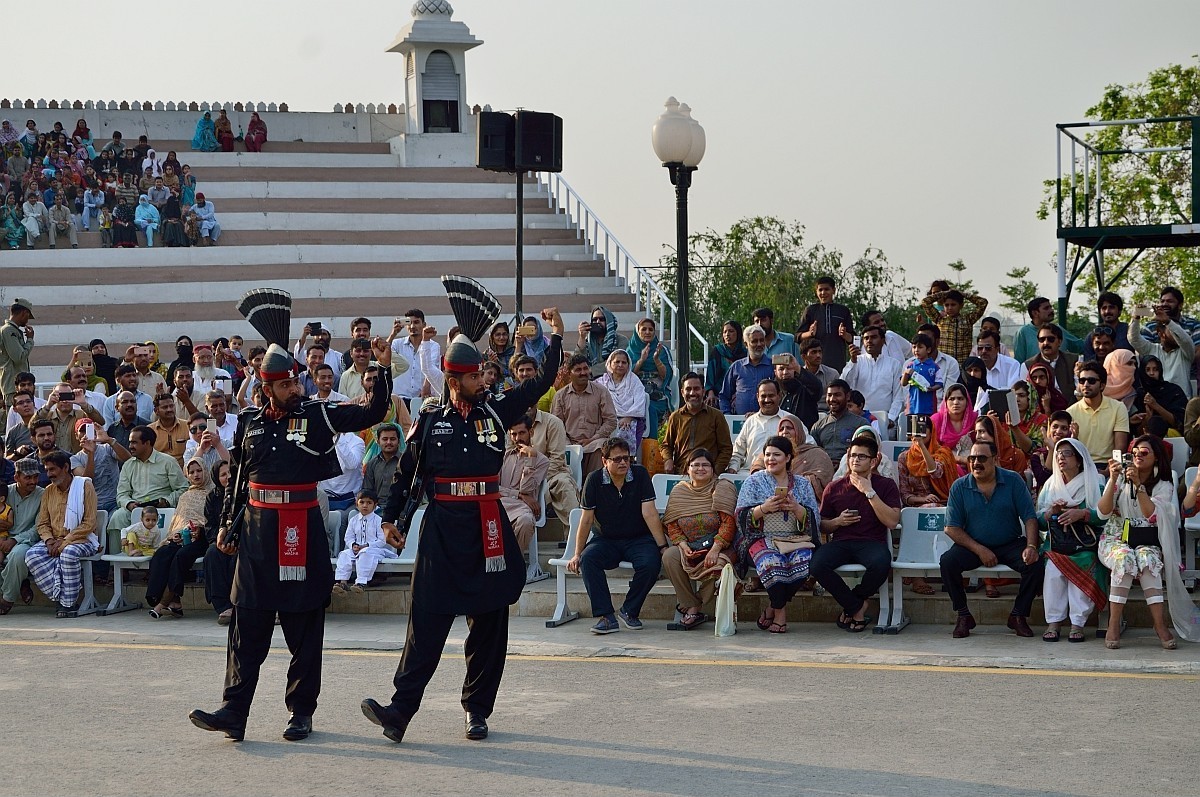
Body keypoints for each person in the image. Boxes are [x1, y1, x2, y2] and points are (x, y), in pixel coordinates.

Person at [360, 307, 564, 745]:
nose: (483, 382)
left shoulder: (495, 410)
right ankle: (400, 711)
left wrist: (554, 338)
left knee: (490, 622)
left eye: (483, 377)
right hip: (442, 530)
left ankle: (477, 709)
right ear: (455, 381)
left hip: (488, 526)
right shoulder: (431, 420)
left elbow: (539, 383)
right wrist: (390, 519)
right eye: (474, 378)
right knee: (427, 620)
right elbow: (406, 476)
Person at [189, 329, 394, 743]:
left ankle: (301, 712)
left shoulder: (317, 414)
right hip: (257, 536)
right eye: (284, 384)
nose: (294, 387)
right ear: (267, 388)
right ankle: (234, 710)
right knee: (245, 627)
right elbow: (240, 479)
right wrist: (227, 523)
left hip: (302, 530)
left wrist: (382, 367)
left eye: (295, 380)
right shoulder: (249, 422)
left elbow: (372, 412)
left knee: (303, 629)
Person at [1098, 435, 1200, 648]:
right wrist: (1112, 479)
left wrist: (1138, 485)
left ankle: (1159, 624)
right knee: (1124, 559)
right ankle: (1114, 623)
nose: (1137, 457)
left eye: (1144, 453)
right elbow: (1103, 512)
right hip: (1117, 537)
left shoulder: (1163, 484)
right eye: (1134, 453)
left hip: (1146, 538)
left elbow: (1151, 515)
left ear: (1156, 458)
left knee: (1147, 561)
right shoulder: (1121, 480)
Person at [940, 440, 1043, 638]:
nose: (976, 463)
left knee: (1035, 565)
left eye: (982, 458)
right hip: (973, 545)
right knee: (947, 562)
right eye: (972, 458)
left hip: (1010, 543)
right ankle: (963, 615)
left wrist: (1031, 546)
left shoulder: (1013, 480)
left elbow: (1030, 517)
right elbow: (951, 528)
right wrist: (980, 550)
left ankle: (1018, 615)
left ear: (995, 460)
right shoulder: (960, 486)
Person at [565, 437, 666, 634]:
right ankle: (606, 616)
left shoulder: (640, 474)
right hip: (606, 539)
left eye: (627, 459)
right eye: (617, 459)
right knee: (588, 559)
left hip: (639, 538)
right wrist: (577, 553)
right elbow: (586, 520)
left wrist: (662, 546)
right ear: (605, 461)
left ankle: (630, 610)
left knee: (651, 563)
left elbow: (650, 513)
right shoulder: (593, 480)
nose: (623, 463)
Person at [734, 435, 821, 634]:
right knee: (772, 563)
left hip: (795, 539)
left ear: (788, 458)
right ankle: (780, 615)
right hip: (760, 538)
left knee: (806, 563)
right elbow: (740, 516)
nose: (770, 459)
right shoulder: (754, 481)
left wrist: (797, 508)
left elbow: (814, 517)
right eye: (767, 455)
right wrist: (763, 508)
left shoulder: (802, 484)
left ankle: (772, 608)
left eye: (776, 454)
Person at [814, 435, 901, 632]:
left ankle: (854, 602)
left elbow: (892, 521)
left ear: (873, 461)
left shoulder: (885, 485)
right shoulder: (834, 487)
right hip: (842, 542)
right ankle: (856, 606)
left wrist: (869, 492)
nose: (855, 460)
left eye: (862, 456)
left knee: (881, 563)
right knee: (817, 564)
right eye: (852, 455)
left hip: (872, 542)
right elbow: (822, 525)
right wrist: (837, 522)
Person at [1036, 438, 1108, 643]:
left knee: (1084, 562)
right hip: (1056, 544)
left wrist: (1083, 514)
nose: (1060, 458)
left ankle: (1077, 623)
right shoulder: (1051, 485)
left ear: (1078, 459)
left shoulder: (1096, 482)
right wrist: (1051, 512)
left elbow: (1105, 515)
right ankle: (1054, 622)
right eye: (1058, 454)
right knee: (1052, 570)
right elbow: (1040, 521)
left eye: (1066, 453)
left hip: (1084, 544)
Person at [661, 448, 739, 630]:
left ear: (713, 469)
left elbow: (729, 523)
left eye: (705, 465)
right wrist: (681, 544)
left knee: (719, 564)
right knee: (670, 556)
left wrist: (715, 548)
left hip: (721, 546)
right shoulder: (679, 491)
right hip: (690, 546)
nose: (700, 468)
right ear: (687, 469)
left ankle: (695, 606)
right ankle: (691, 602)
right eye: (695, 465)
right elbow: (672, 524)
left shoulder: (722, 487)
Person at [24, 451, 99, 618]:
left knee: (68, 554)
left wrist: (65, 542)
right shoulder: (48, 491)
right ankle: (63, 599)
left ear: (66, 467)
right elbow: (42, 523)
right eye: (47, 470)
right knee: (32, 555)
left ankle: (68, 604)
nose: (49, 474)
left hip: (82, 539)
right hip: (55, 541)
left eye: (52, 469)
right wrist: (49, 541)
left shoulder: (85, 486)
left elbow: (89, 523)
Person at [145, 456, 213, 619]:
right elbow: (178, 520)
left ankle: (164, 602)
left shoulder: (212, 493)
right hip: (182, 537)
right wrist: (175, 535)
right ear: (187, 475)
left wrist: (198, 530)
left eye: (199, 471)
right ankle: (169, 601)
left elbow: (212, 521)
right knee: (162, 553)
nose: (196, 475)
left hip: (202, 538)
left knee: (180, 556)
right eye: (191, 472)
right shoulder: (185, 497)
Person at [551, 353, 617, 477]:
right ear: (569, 373)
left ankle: (593, 489)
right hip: (569, 443)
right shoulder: (560, 396)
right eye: (578, 370)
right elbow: (556, 425)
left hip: (594, 442)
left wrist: (593, 438)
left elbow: (611, 421)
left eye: (585, 368)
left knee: (601, 447)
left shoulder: (601, 392)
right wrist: (569, 444)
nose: (583, 373)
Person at [499, 415, 549, 564]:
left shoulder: (541, 460)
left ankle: (513, 565)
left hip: (522, 508)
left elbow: (527, 489)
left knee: (526, 522)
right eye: (513, 434)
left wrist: (530, 458)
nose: (517, 438)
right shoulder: (503, 456)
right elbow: (494, 487)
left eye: (522, 433)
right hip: (500, 503)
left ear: (531, 432)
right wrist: (519, 495)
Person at [661, 372, 733, 474]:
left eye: (696, 389)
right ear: (682, 392)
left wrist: (715, 471)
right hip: (681, 475)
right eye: (688, 389)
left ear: (703, 392)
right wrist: (668, 460)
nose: (692, 393)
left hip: (707, 476)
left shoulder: (716, 416)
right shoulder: (675, 417)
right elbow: (666, 445)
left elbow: (726, 449)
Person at [842, 325, 904, 438]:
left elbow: (899, 396)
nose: (869, 341)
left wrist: (891, 418)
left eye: (873, 337)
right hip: (859, 418)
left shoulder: (894, 364)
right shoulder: (856, 361)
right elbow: (845, 384)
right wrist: (852, 361)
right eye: (866, 338)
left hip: (887, 420)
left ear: (883, 340)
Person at [748, 416, 834, 497]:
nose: (785, 431)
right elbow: (757, 469)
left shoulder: (816, 453)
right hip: (769, 499)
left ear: (799, 431)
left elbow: (822, 479)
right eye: (781, 429)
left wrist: (791, 482)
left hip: (804, 500)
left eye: (789, 428)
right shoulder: (770, 453)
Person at [0, 460, 45, 615]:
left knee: (18, 555)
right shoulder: (5, 492)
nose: (33, 481)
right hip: (3, 537)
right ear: (16, 477)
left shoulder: (42, 494)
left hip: (27, 541)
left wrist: (15, 540)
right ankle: (20, 582)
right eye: (28, 478)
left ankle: (7, 598)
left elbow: (39, 527)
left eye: (35, 477)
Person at [727, 379, 801, 472]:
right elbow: (738, 453)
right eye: (763, 396)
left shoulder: (791, 420)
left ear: (779, 396)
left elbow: (807, 446)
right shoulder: (750, 422)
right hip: (752, 475)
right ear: (758, 397)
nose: (767, 400)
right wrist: (733, 468)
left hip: (783, 476)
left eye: (771, 396)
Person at [1068, 360, 1131, 469]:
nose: (1086, 385)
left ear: (1102, 386)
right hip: (1081, 467)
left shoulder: (1118, 408)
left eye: (1091, 381)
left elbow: (1120, 446)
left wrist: (1109, 471)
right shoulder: (1070, 412)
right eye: (1082, 381)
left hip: (1108, 466)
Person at [333, 491, 397, 594]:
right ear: (356, 504)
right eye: (362, 502)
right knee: (344, 554)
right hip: (356, 550)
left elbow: (382, 540)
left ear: (375, 505)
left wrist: (367, 545)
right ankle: (342, 582)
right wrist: (353, 545)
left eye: (369, 503)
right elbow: (348, 537)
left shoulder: (379, 521)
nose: (365, 505)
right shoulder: (353, 520)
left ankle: (361, 583)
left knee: (365, 553)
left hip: (374, 551)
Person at [1129, 301, 1195, 397]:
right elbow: (1133, 339)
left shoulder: (1185, 352)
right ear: (1160, 333)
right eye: (1172, 330)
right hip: (1157, 402)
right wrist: (1136, 318)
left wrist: (1168, 322)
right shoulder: (1152, 349)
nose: (1177, 334)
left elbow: (1185, 340)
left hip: (1181, 404)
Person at [595, 350, 647, 457]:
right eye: (617, 362)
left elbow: (639, 401)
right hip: (607, 418)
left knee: (624, 429)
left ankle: (625, 459)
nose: (620, 365)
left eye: (624, 362)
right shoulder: (601, 382)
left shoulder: (634, 381)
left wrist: (629, 417)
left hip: (630, 418)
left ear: (628, 365)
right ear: (610, 363)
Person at [202, 461, 236, 625]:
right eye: (223, 474)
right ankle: (223, 606)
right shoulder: (212, 497)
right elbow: (209, 526)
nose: (228, 477)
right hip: (219, 541)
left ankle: (240, 603)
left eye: (230, 473)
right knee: (212, 555)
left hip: (242, 541)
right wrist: (221, 542)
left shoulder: (243, 493)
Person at [627, 318, 673, 437]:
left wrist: (656, 360)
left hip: (657, 396)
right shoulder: (630, 351)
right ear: (638, 332)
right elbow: (627, 376)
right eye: (644, 329)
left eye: (651, 329)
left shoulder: (662, 350)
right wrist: (641, 360)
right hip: (634, 396)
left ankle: (651, 449)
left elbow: (666, 376)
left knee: (649, 408)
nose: (647, 332)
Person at [797, 276, 854, 372]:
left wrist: (845, 335)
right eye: (820, 290)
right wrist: (810, 334)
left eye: (826, 289)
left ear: (833, 290)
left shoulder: (843, 311)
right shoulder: (810, 310)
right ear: (816, 292)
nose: (823, 293)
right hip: (815, 365)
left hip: (838, 363)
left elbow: (853, 339)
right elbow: (797, 337)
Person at [920, 287, 989, 364]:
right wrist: (944, 293)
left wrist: (963, 294)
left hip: (963, 365)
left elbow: (983, 303)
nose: (950, 308)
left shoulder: (968, 320)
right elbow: (925, 302)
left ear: (961, 305)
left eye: (953, 305)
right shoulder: (939, 319)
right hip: (944, 364)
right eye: (946, 305)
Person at [718, 324, 773, 415]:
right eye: (754, 341)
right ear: (746, 344)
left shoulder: (772, 366)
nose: (759, 344)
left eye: (761, 340)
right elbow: (724, 396)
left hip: (767, 422)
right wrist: (728, 416)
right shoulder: (737, 367)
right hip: (740, 423)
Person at [1132, 355, 1187, 435]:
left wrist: (1156, 406)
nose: (1151, 373)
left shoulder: (1173, 390)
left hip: (1172, 436)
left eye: (1155, 369)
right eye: (1147, 370)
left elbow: (1179, 424)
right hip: (1146, 440)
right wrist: (1147, 418)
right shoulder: (1139, 394)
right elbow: (1137, 433)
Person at [811, 380, 862, 464]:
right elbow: (813, 453)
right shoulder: (818, 426)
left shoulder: (860, 424)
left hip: (851, 468)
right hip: (824, 468)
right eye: (829, 395)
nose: (832, 399)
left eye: (837, 395)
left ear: (848, 396)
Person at [0, 298, 35, 421]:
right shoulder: (8, 331)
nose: (27, 320)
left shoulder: (13, 330)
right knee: (15, 423)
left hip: (16, 385)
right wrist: (30, 340)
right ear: (24, 313)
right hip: (13, 386)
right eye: (28, 316)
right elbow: (19, 358)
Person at [574, 305, 628, 378]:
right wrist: (582, 337)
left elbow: (616, 363)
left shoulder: (621, 340)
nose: (598, 322)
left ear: (609, 321)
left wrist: (592, 370)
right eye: (594, 319)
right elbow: (577, 359)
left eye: (602, 319)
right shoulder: (588, 342)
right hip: (590, 382)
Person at [704, 320, 746, 407]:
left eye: (731, 331)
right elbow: (710, 376)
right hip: (718, 395)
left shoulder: (745, 353)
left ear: (738, 333)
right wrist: (710, 393)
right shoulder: (717, 351)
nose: (727, 334)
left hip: (740, 395)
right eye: (725, 332)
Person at [902, 333, 941, 419]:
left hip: (929, 408)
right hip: (913, 407)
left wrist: (931, 388)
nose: (916, 350)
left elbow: (940, 383)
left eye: (920, 347)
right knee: (913, 431)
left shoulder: (934, 366)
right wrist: (906, 373)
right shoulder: (910, 365)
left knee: (927, 430)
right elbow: (903, 383)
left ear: (928, 350)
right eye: (914, 347)